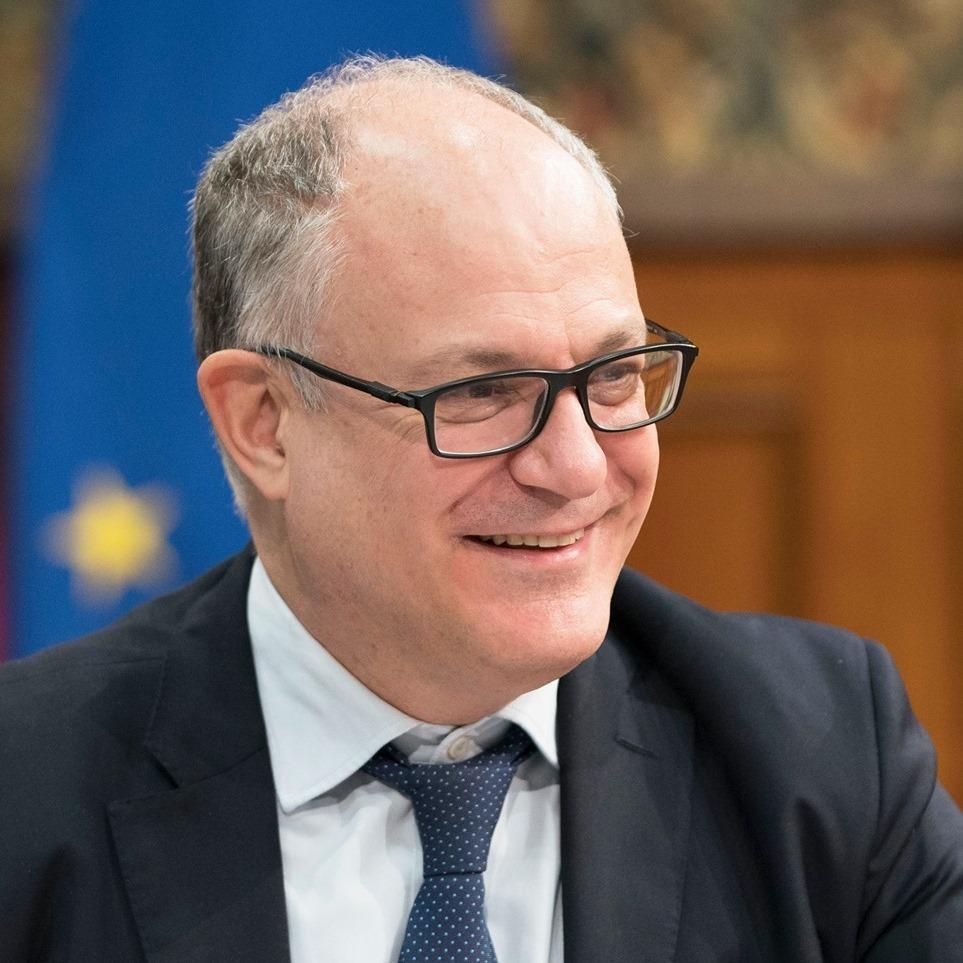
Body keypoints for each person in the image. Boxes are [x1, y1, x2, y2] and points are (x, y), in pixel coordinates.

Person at [1, 55, 961, 963]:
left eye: (613, 374)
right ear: (265, 422)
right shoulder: (25, 794)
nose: (576, 467)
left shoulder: (820, 753)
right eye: (481, 391)